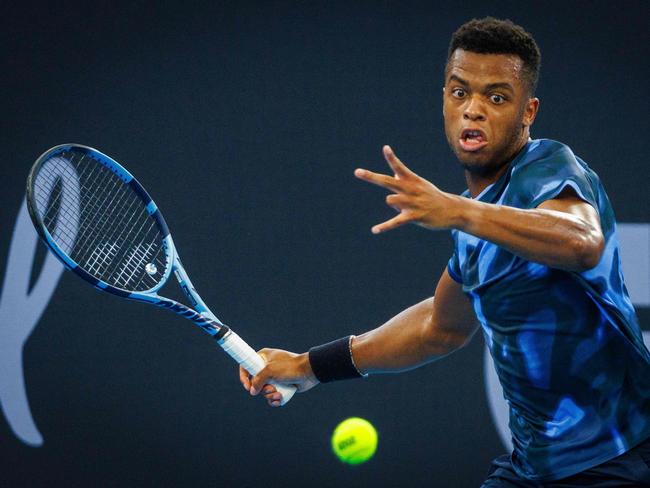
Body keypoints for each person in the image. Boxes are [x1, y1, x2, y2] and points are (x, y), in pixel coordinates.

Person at [239, 17, 650, 486]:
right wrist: (310, 366)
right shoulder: (473, 217)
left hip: (623, 459)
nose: (473, 110)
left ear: (528, 111)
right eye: (459, 92)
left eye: (496, 97)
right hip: (534, 469)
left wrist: (459, 212)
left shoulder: (548, 166)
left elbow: (582, 242)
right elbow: (441, 326)